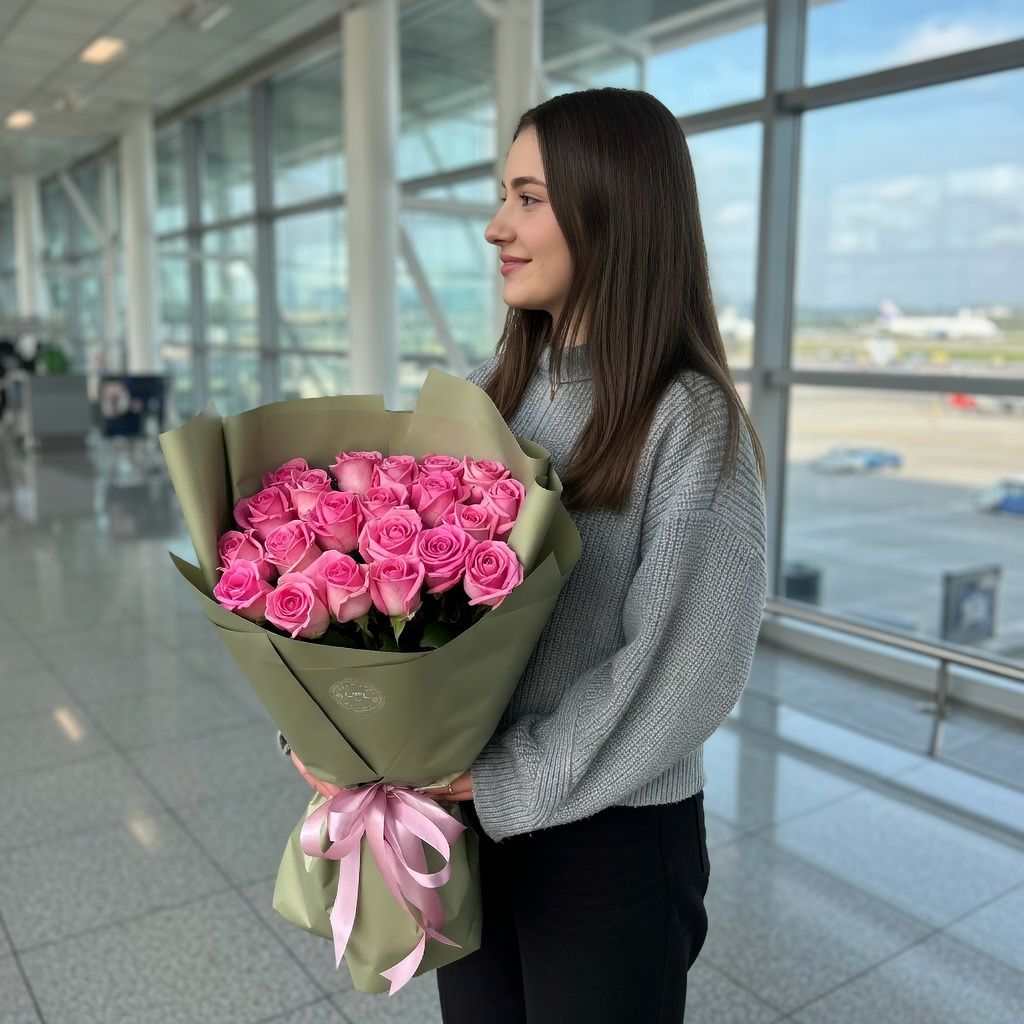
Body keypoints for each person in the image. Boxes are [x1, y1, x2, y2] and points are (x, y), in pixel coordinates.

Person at [288, 87, 768, 1022]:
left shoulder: (686, 419)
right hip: (465, 818)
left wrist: (510, 776)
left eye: (527, 198)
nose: (495, 226)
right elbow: (388, 606)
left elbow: (689, 666)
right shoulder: (485, 396)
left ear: (614, 211)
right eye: (502, 195)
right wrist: (336, 731)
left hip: (611, 838)